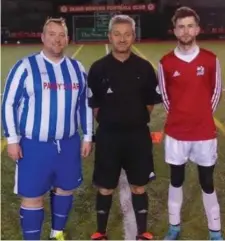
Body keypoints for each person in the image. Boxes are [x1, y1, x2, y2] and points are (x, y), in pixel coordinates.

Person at [1, 18, 93, 240]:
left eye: (61, 35)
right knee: (32, 196)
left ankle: (57, 232)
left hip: (69, 143)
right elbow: (8, 103)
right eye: (51, 34)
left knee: (65, 188)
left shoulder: (76, 68)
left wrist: (88, 135)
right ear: (43, 37)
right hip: (34, 145)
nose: (57, 39)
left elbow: (85, 103)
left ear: (67, 39)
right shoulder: (25, 66)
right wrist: (12, 139)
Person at [87, 15, 161, 240]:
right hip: (108, 136)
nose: (122, 39)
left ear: (133, 37)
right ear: (110, 36)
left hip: (137, 136)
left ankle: (142, 232)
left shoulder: (145, 67)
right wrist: (113, 120)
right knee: (105, 187)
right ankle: (101, 232)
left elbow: (149, 103)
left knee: (139, 185)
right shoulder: (98, 68)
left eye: (127, 34)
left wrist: (133, 119)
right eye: (117, 34)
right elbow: (95, 106)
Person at [158, 7, 223, 240]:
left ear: (197, 29)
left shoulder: (210, 59)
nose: (185, 31)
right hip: (177, 134)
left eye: (189, 26)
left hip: (204, 133)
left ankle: (215, 231)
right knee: (176, 180)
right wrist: (180, 116)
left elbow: (216, 93)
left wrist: (202, 115)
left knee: (207, 182)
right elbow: (165, 97)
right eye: (181, 26)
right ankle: (174, 227)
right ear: (174, 30)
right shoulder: (165, 62)